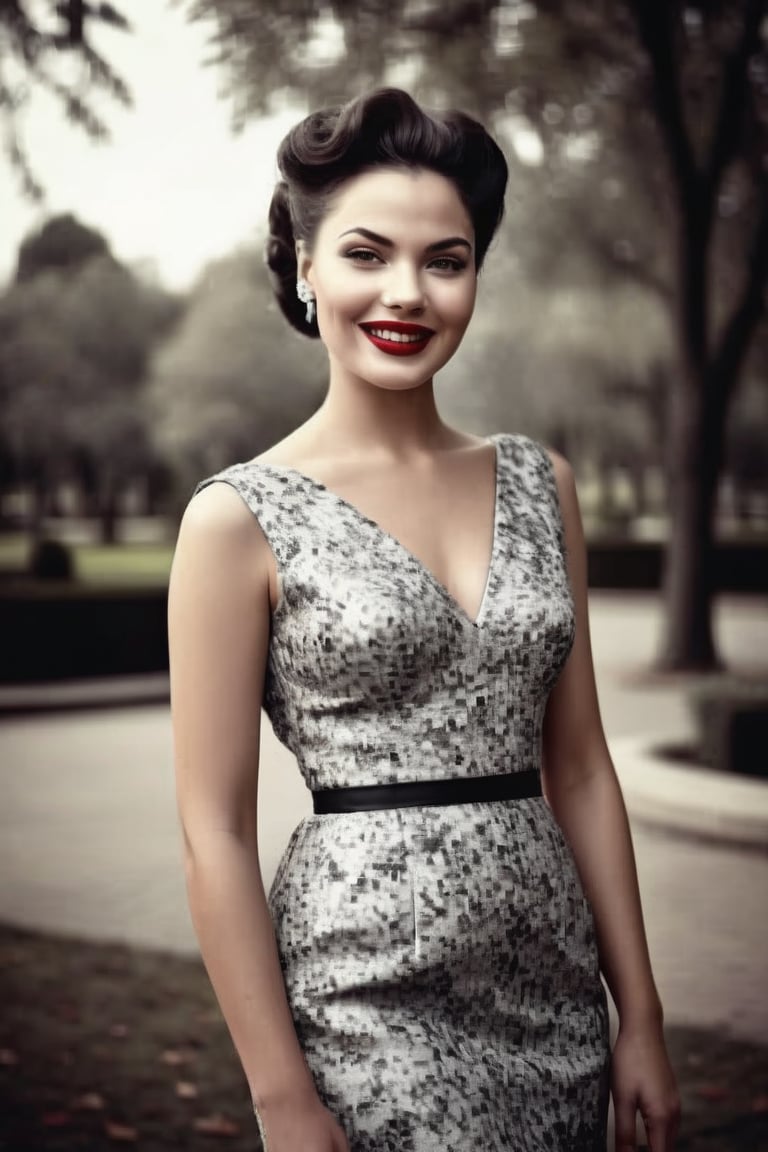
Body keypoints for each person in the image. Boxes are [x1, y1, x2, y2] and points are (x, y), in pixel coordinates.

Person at [168, 87, 680, 1152]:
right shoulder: (235, 520)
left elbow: (579, 767)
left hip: (552, 990)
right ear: (305, 268)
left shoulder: (544, 484)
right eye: (367, 254)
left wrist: (644, 1018)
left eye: (445, 260)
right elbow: (211, 831)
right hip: (362, 997)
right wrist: (282, 1100)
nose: (408, 291)